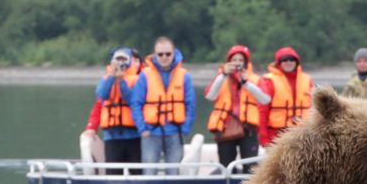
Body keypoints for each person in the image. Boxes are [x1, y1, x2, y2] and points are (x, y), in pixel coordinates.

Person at [131, 37, 195, 172]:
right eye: (160, 54)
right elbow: (136, 104)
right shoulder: (145, 75)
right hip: (151, 132)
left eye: (168, 54)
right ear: (155, 55)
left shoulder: (184, 76)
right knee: (149, 173)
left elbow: (190, 105)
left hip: (176, 133)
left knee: (174, 174)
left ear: (173, 53)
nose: (164, 57)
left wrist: (185, 129)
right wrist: (142, 128)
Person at [204, 45, 270, 171]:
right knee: (226, 166)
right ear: (229, 61)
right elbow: (210, 95)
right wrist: (223, 74)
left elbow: (265, 99)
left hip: (248, 129)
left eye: (240, 60)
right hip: (225, 127)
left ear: (246, 62)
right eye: (234, 60)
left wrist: (246, 83)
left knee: (250, 167)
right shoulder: (221, 77)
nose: (237, 63)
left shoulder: (254, 79)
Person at [91, 47, 142, 174]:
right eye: (117, 60)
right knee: (113, 173)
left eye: (124, 60)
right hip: (112, 137)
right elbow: (102, 94)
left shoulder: (137, 79)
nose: (120, 63)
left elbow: (133, 99)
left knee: (137, 172)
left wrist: (122, 82)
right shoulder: (106, 78)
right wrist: (112, 77)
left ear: (130, 61)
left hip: (134, 136)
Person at [259, 47, 312, 147]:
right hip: (276, 134)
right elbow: (263, 111)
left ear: (296, 62)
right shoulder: (269, 81)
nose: (289, 62)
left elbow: (313, 109)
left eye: (292, 59)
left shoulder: (307, 80)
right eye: (285, 60)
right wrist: (263, 136)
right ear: (279, 62)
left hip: (302, 133)